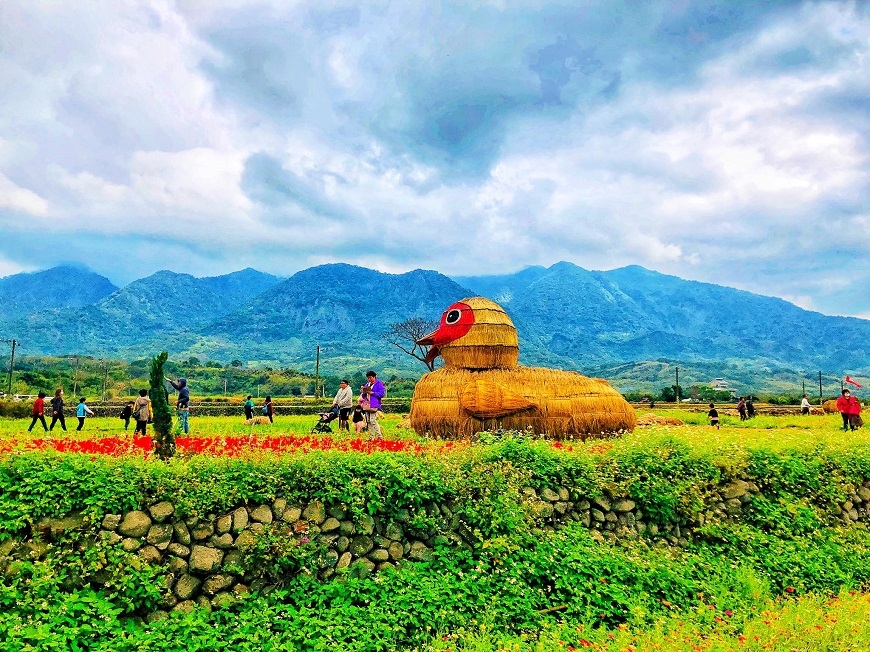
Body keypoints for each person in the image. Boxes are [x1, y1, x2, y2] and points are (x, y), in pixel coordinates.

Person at [361, 370, 386, 440]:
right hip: (367, 404)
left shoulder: (379, 384)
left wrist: (373, 393)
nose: (369, 379)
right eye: (368, 378)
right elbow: (363, 396)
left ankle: (380, 436)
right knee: (368, 421)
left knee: (373, 420)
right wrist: (363, 392)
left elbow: (382, 394)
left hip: (374, 404)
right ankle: (371, 437)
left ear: (374, 377)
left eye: (370, 377)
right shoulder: (367, 384)